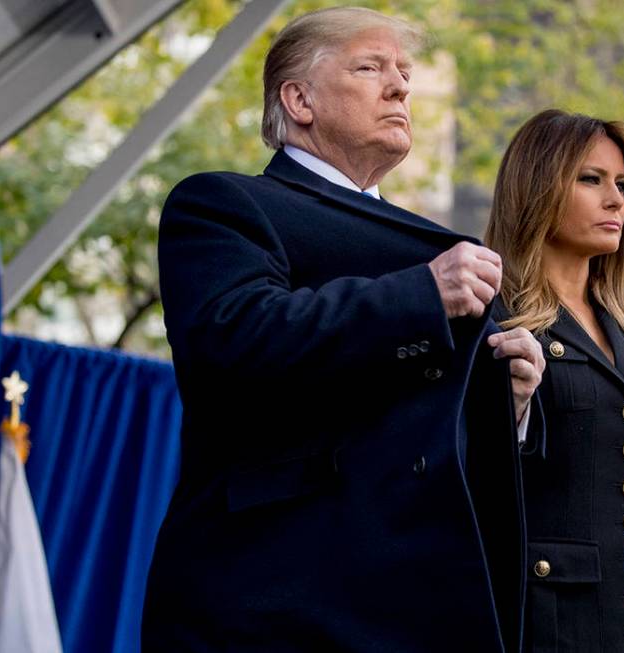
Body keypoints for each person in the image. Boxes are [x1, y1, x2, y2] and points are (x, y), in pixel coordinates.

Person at [142, 7, 544, 652]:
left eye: (405, 73)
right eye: (370, 67)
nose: (399, 88)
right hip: (276, 594)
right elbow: (233, 336)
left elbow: (427, 447)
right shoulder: (223, 203)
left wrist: (505, 403)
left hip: (416, 606)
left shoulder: (439, 250)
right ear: (298, 99)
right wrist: (421, 295)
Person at [485, 109, 624, 652]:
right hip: (550, 632)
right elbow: (466, 492)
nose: (616, 200)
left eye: (623, 185)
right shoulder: (490, 321)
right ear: (537, 187)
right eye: (591, 180)